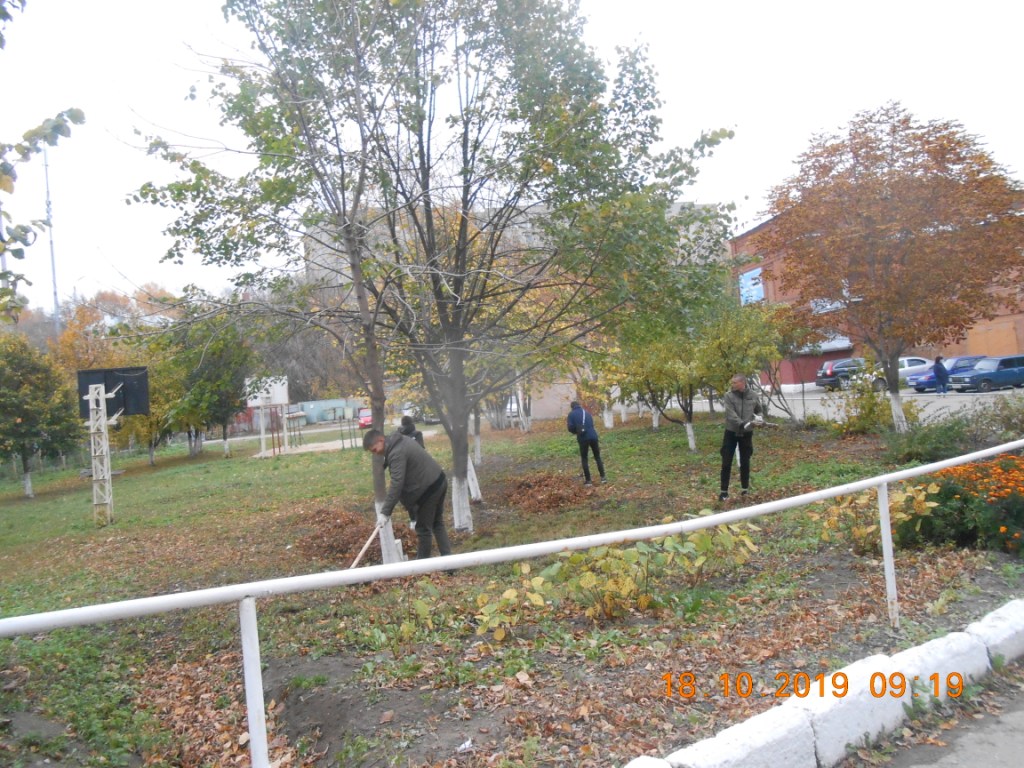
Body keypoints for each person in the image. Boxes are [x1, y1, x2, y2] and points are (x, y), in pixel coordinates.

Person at [362, 428, 451, 560]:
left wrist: (385, 512)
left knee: (423, 529)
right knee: (437, 523)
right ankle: (449, 564)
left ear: (381, 440)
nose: (376, 454)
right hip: (438, 480)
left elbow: (397, 484)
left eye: (375, 450)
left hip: (429, 488)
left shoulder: (396, 452)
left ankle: (421, 570)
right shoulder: (399, 442)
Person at [719, 374, 763, 501]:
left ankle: (745, 490)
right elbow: (730, 414)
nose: (732, 385)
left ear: (742, 382)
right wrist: (742, 423)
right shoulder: (729, 396)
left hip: (747, 434)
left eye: (735, 383)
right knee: (726, 462)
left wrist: (759, 418)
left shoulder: (753, 395)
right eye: (732, 383)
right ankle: (723, 493)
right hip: (731, 433)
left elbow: (759, 410)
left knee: (745, 462)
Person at [566, 400, 606, 486]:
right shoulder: (586, 413)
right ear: (579, 405)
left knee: (584, 458)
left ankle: (588, 481)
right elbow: (591, 424)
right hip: (594, 436)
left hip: (583, 438)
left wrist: (576, 431)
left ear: (572, 407)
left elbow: (570, 427)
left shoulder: (571, 414)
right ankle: (603, 478)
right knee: (597, 457)